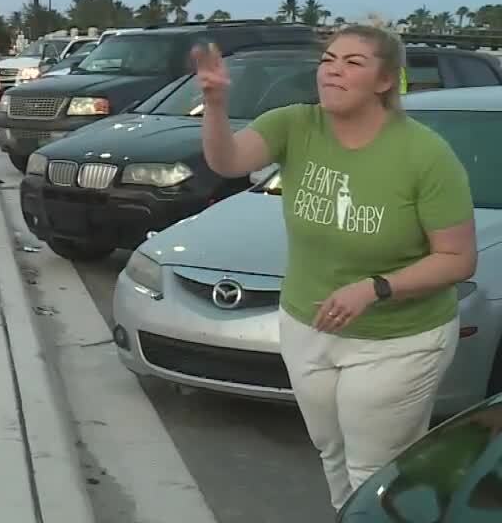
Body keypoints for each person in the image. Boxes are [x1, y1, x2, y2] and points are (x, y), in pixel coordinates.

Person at [196, 25, 477, 512]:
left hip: (398, 337)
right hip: (307, 324)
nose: (333, 70)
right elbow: (228, 160)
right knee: (332, 450)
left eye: (353, 62)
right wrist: (216, 106)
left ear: (385, 80)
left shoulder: (425, 154)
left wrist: (375, 289)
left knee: (375, 466)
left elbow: (457, 258)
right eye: (328, 60)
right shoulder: (295, 124)